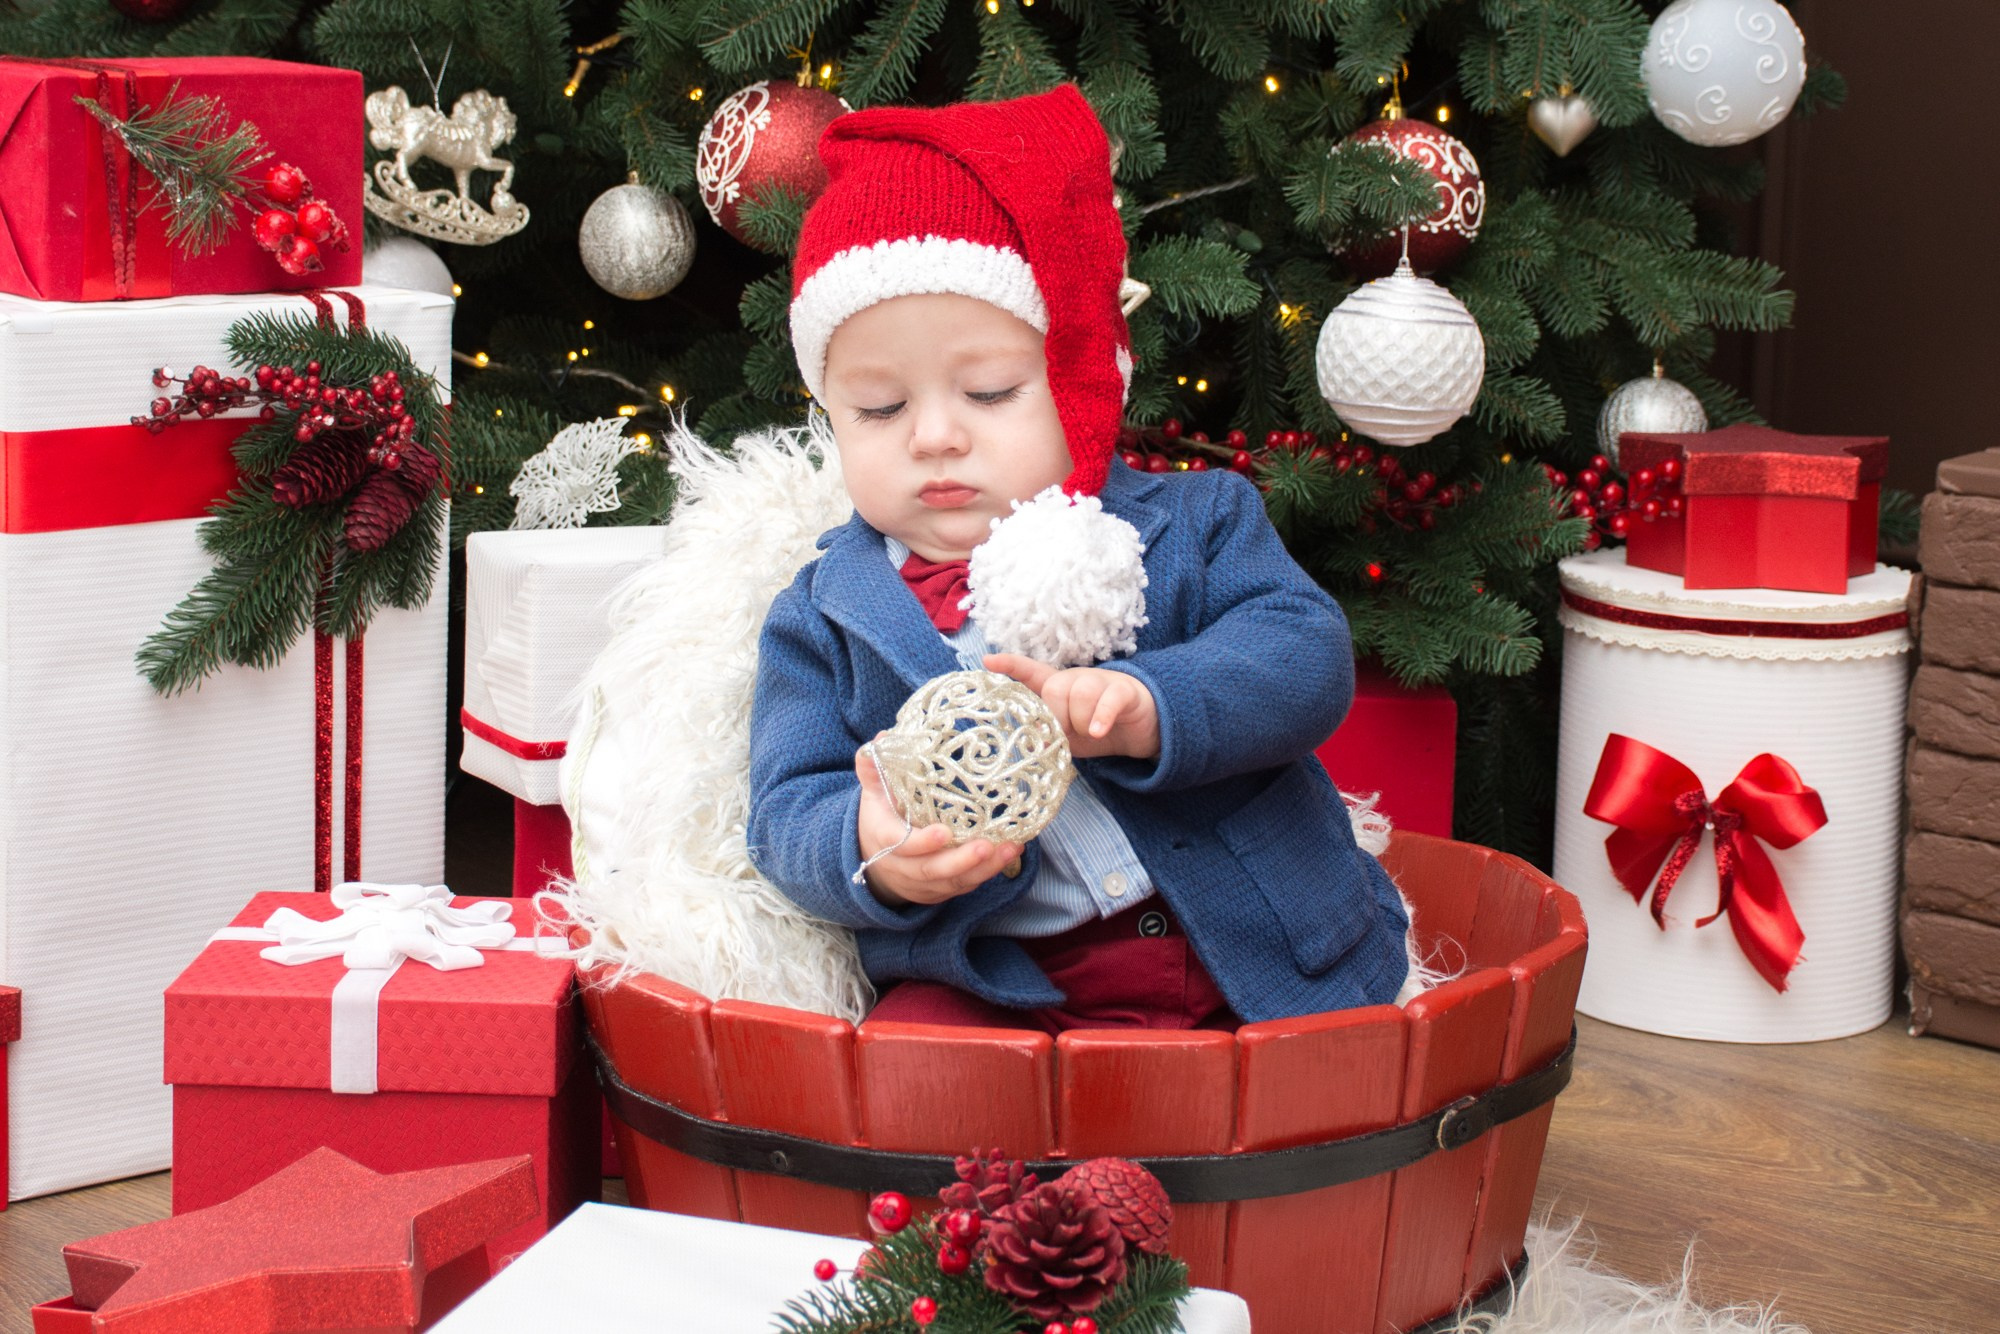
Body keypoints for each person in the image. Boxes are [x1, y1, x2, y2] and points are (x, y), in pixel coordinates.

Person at [746, 85, 1413, 1032]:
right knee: (910, 1065)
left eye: (989, 390)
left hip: (1239, 943)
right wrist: (873, 851)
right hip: (999, 976)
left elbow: (1304, 657)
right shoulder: (824, 613)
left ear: (1084, 377)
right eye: (880, 409)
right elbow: (785, 805)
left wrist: (1153, 707)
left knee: (1300, 1093)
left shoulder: (1196, 522)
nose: (934, 436)